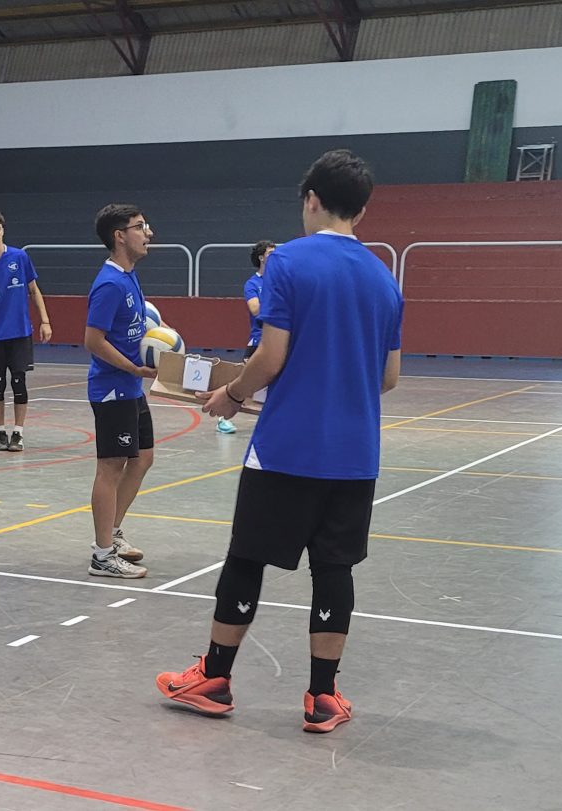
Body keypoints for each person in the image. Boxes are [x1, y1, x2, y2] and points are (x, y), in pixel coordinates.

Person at [156, 150, 403, 733]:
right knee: (334, 568)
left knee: (247, 557)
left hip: (288, 447)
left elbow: (270, 356)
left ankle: (215, 678)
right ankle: (323, 696)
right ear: (362, 210)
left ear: (311, 199)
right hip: (355, 454)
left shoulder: (288, 261)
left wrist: (232, 395)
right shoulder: (384, 279)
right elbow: (389, 377)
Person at [84, 204, 159, 578]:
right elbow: (93, 340)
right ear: (119, 236)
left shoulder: (129, 276)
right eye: (141, 227)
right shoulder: (110, 284)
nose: (149, 233)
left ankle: (112, 532)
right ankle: (102, 556)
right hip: (113, 389)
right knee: (111, 468)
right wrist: (134, 368)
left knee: (143, 458)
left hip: (131, 386)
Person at [0, 210, 51, 452]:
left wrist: (45, 321)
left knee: (18, 382)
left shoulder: (19, 257)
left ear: (3, 231)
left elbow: (34, 290)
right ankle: (0, 432)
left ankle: (18, 433)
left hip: (20, 332)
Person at [216, 240, 276, 435]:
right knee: (245, 380)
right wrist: (276, 299)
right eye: (270, 253)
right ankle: (223, 417)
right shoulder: (253, 284)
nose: (275, 256)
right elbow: (255, 309)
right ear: (261, 258)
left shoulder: (279, 281)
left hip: (278, 339)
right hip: (259, 340)